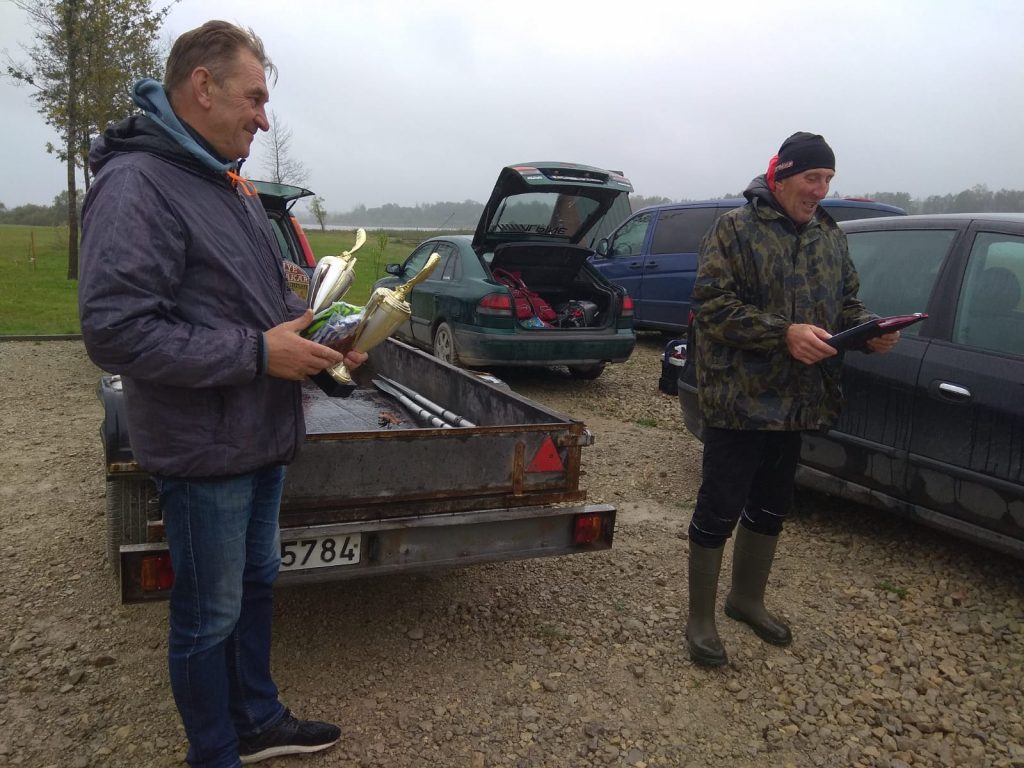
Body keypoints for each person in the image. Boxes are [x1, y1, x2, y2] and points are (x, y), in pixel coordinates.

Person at [78, 21, 366, 767]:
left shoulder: (225, 182)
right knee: (208, 615)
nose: (264, 120)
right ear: (202, 87)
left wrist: (323, 340)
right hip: (205, 448)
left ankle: (257, 720)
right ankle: (213, 752)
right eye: (255, 98)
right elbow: (116, 331)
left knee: (257, 584)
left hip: (260, 433)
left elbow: (259, 301)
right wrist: (257, 353)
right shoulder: (138, 184)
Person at [684, 132, 899, 668]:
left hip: (798, 401)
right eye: (812, 178)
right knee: (719, 507)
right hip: (740, 402)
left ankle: (746, 600)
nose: (821, 190)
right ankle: (700, 619)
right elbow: (711, 307)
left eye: (828, 179)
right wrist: (782, 334)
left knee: (772, 505)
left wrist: (869, 329)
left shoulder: (829, 235)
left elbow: (845, 303)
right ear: (781, 177)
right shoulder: (735, 229)